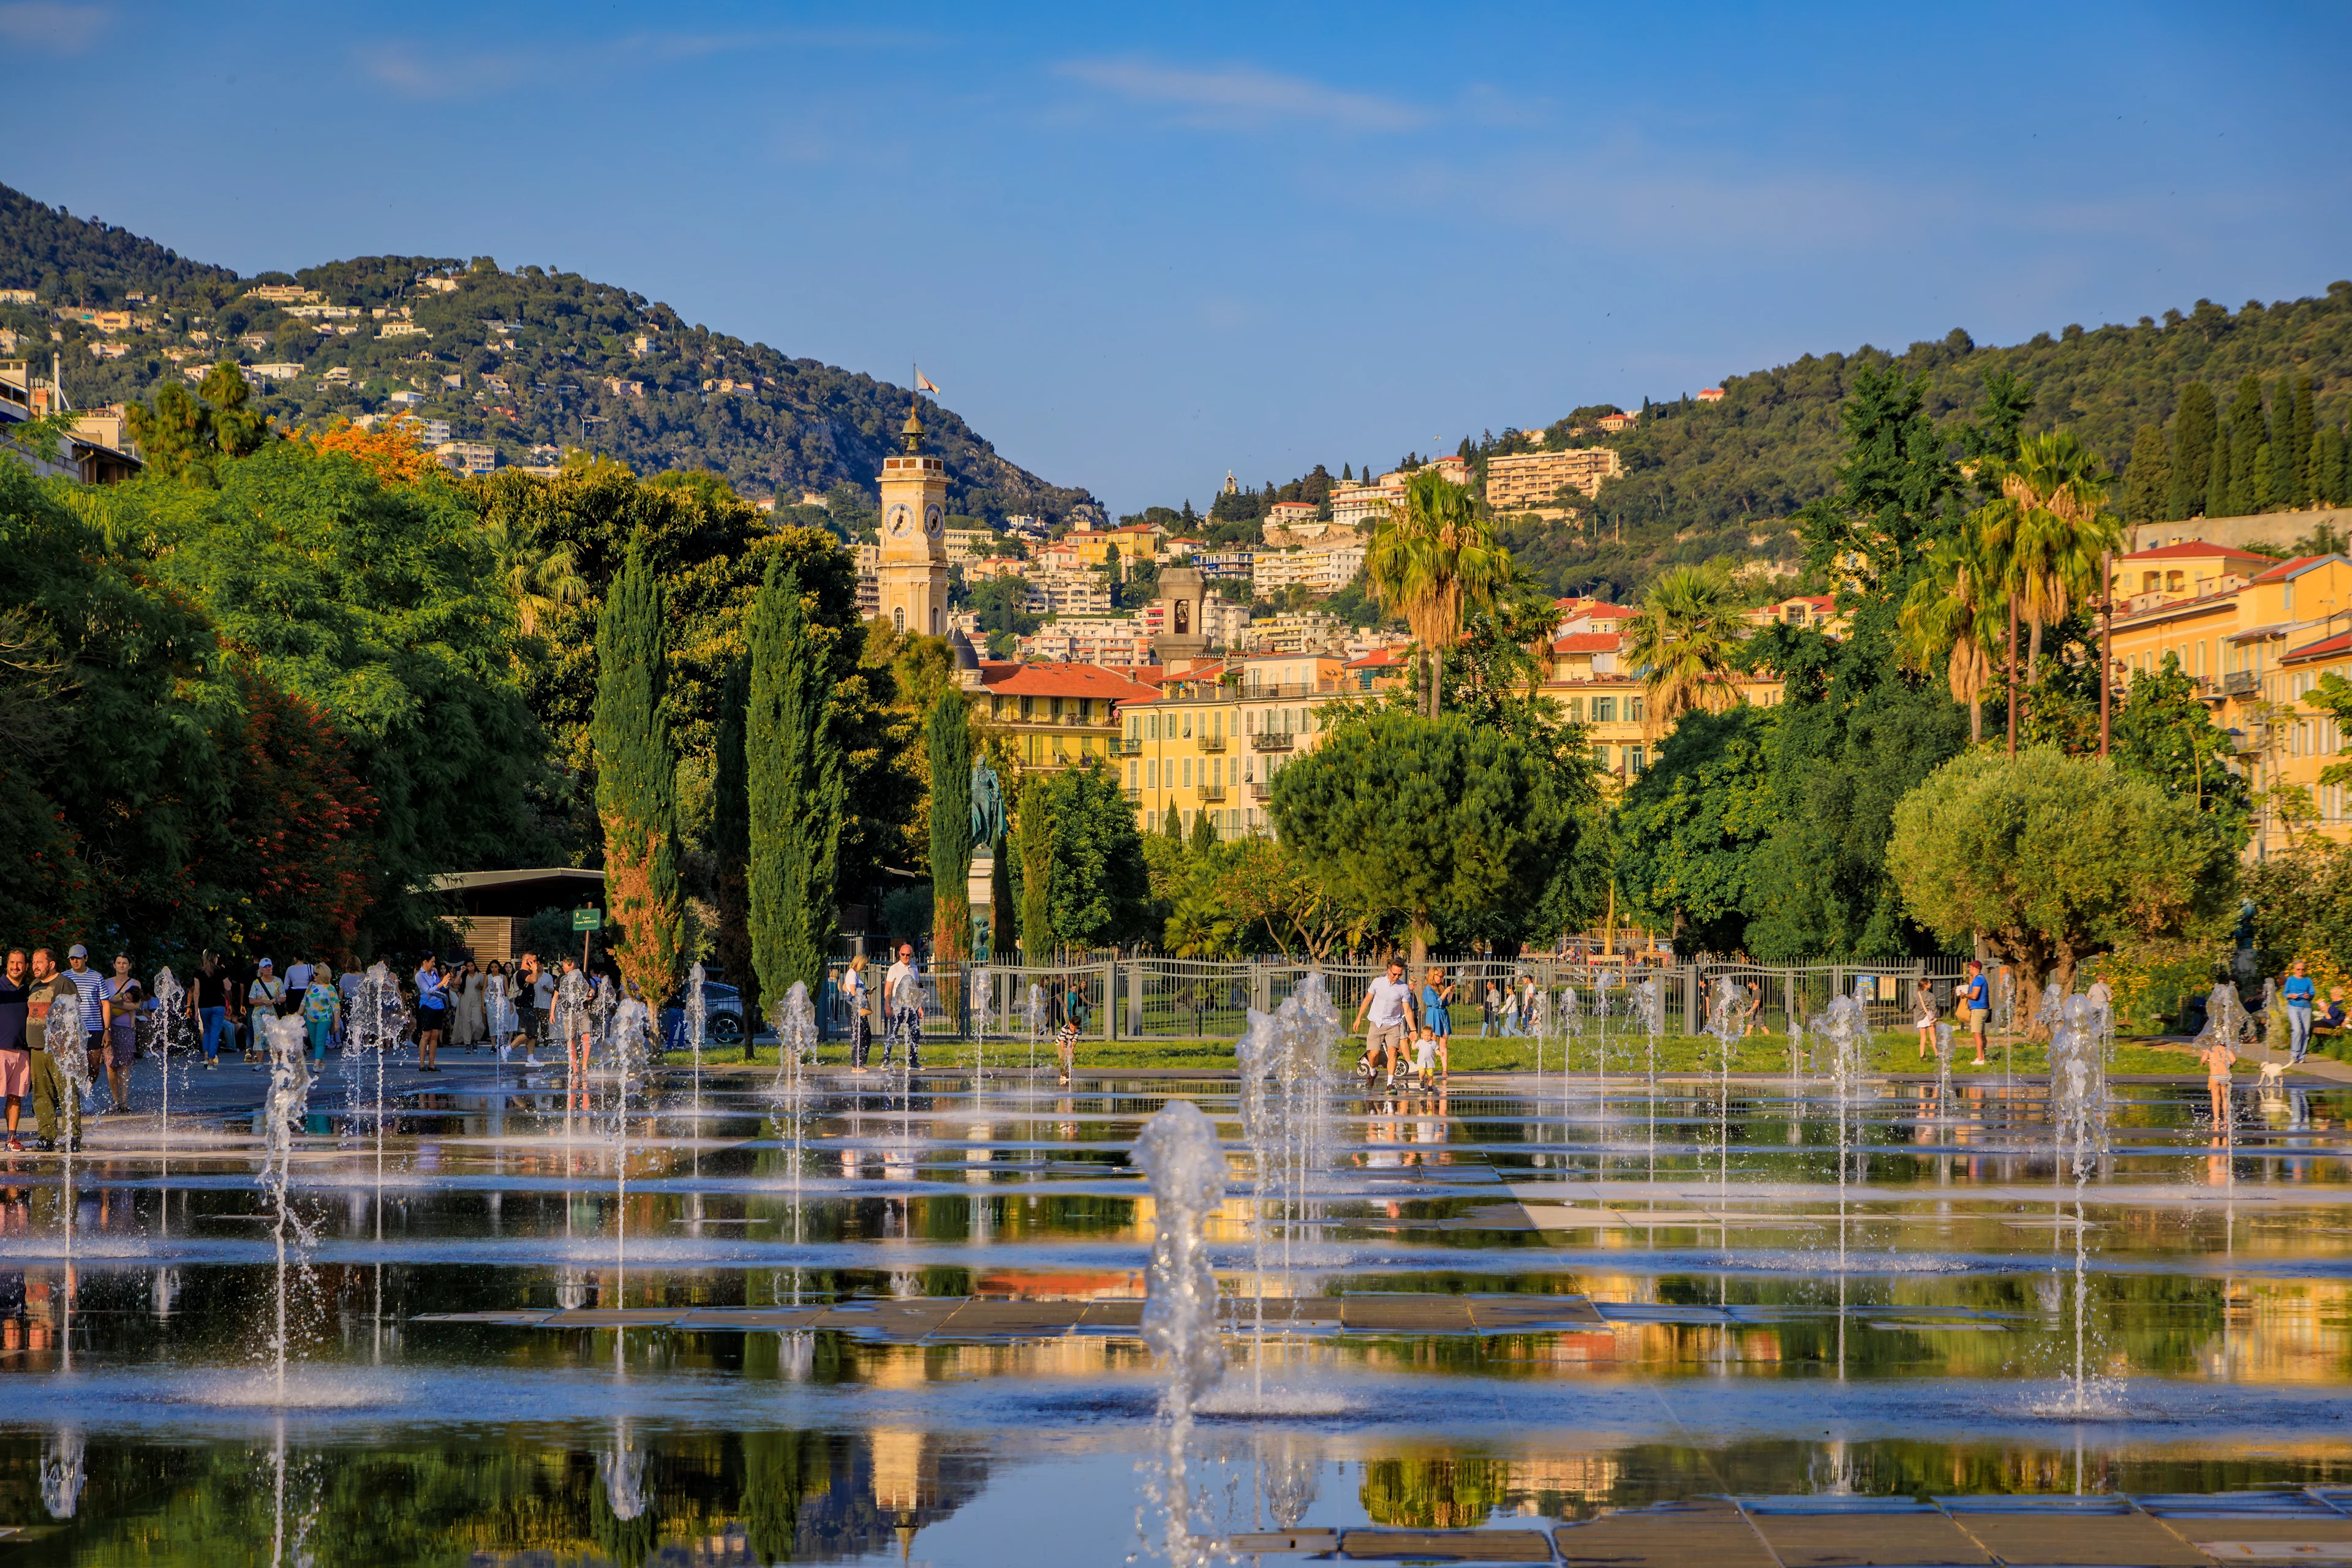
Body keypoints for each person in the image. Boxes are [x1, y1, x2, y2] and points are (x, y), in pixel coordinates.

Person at [24, 949, 79, 1152]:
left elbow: (74, 1015)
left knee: (67, 1092)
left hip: (59, 1049)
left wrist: (68, 1045)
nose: (35, 966)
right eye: (33, 962)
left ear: (52, 964)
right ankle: (46, 1137)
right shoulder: (33, 985)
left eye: (39, 962)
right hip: (36, 1048)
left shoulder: (64, 983)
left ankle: (73, 1137)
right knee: (41, 1095)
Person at [1351, 959, 1418, 1091]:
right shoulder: (1378, 982)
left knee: (1392, 1052)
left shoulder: (1403, 988)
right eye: (1394, 974)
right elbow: (1367, 1000)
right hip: (1376, 1023)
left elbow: (1408, 1010)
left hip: (1394, 1025)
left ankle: (1390, 1084)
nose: (1397, 977)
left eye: (1399, 974)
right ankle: (1373, 1071)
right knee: (1373, 1054)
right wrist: (1358, 1018)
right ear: (1389, 971)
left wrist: (1413, 1029)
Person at [62, 946, 108, 1105]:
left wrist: (107, 1029)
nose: (75, 961)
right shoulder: (64, 977)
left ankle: (88, 1087)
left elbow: (105, 1003)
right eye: (72, 958)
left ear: (86, 958)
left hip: (94, 1027)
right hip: (72, 1029)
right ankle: (77, 1095)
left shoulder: (97, 977)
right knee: (74, 1064)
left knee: (94, 1065)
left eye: (78, 958)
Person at [102, 954, 141, 1112]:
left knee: (124, 1065)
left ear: (130, 965)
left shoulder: (134, 983)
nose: (122, 965)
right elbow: (102, 1003)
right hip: (109, 1027)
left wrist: (114, 1004)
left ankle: (124, 1102)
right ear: (114, 965)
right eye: (119, 963)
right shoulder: (106, 983)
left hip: (126, 1028)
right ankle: (116, 1100)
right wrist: (123, 1004)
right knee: (111, 1066)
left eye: (125, 963)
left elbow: (136, 1005)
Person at [0, 952, 30, 1152]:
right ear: (6, 965)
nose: (16, 967)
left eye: (20, 963)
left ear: (26, 966)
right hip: (0, 1048)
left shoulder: (31, 990)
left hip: (23, 1051)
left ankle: (12, 1139)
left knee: (15, 1096)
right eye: (12, 963)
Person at [883, 943, 924, 1070]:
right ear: (899, 954)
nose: (905, 957)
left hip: (911, 1006)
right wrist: (888, 1005)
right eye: (903, 954)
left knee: (915, 1033)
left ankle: (914, 1061)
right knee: (893, 1033)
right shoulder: (894, 968)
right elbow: (888, 988)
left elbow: (916, 988)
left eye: (908, 954)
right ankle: (885, 1059)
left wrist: (919, 1006)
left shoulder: (914, 969)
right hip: (898, 1006)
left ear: (911, 955)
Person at [190, 952, 235, 1070]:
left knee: (207, 1032)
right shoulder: (221, 971)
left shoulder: (198, 972)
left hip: (204, 1005)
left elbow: (197, 992)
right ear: (215, 958)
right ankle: (211, 1062)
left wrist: (196, 1011)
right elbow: (228, 986)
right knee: (215, 1033)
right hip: (218, 1005)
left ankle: (205, 1058)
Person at [247, 959, 286, 1066]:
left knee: (275, 1037)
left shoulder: (278, 981)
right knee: (259, 1036)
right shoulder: (257, 983)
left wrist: (275, 1000)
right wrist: (263, 1001)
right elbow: (251, 1000)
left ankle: (278, 1062)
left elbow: (283, 996)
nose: (268, 969)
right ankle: (259, 1062)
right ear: (261, 969)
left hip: (273, 1013)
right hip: (259, 1014)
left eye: (269, 966)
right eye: (265, 967)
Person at [414, 954, 448, 1072]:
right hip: (427, 1007)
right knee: (426, 1035)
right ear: (425, 961)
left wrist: (446, 981)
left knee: (435, 1036)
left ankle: (432, 1064)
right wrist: (441, 983)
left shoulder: (434, 973)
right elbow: (428, 991)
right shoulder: (419, 975)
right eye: (432, 962)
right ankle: (422, 1064)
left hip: (439, 1006)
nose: (434, 964)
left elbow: (442, 988)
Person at [301, 965, 341, 1063]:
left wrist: (336, 1022)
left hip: (325, 1018)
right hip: (310, 1018)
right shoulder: (311, 986)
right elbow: (304, 1001)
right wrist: (298, 1015)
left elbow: (336, 1006)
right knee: (314, 1042)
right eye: (314, 973)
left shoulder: (330, 988)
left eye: (316, 974)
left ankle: (316, 1063)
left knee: (320, 1040)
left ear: (323, 974)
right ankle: (321, 1060)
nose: (314, 975)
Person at [2281, 959, 2316, 1066]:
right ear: (2294, 969)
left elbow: (2312, 993)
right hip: (2294, 1007)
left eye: (2302, 969)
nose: (2300, 971)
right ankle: (2294, 1054)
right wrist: (2291, 995)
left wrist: (2308, 996)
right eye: (2298, 969)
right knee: (2297, 1030)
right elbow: (2285, 993)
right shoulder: (2291, 980)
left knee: (2305, 1032)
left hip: (2306, 1007)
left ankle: (2302, 1055)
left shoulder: (2308, 980)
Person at [2199, 1028, 2237, 1125]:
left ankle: (2216, 1119)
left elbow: (2203, 1059)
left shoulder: (2210, 1050)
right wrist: (2229, 1065)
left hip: (2215, 1077)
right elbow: (2234, 1059)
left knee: (2216, 1099)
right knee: (2225, 1098)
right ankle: (2226, 1118)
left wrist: (2202, 1063)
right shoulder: (2226, 1050)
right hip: (2225, 1076)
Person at [1420, 967, 1453, 1070]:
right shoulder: (1428, 989)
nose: (1440, 978)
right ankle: (1429, 1068)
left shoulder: (1441, 987)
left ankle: (1445, 1070)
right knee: (1431, 1043)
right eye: (1439, 976)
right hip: (1433, 1014)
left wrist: (1451, 992)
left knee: (1443, 1042)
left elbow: (1446, 1003)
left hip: (1443, 1014)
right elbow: (1435, 1003)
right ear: (1432, 975)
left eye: (1442, 976)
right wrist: (1445, 993)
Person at [845, 954, 872, 1072]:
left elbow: (847, 987)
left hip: (858, 1007)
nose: (864, 967)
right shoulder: (852, 973)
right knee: (859, 1036)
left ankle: (858, 1063)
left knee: (864, 1035)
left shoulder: (854, 974)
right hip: (856, 1008)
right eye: (864, 965)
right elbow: (852, 992)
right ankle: (857, 1064)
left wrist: (867, 991)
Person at [484, 962, 515, 1061]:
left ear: (499, 968)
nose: (494, 969)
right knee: (492, 1023)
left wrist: (511, 1004)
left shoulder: (503, 977)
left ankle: (500, 1044)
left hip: (501, 1002)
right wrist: (483, 1005)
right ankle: (493, 1045)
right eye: (492, 967)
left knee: (502, 1023)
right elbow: (483, 991)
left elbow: (507, 991)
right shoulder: (487, 978)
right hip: (490, 1003)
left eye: (496, 967)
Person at [453, 957, 486, 1049]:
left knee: (477, 1022)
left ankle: (475, 1039)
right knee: (466, 1022)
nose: (471, 968)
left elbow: (485, 987)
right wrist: (462, 971)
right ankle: (468, 1043)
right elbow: (455, 982)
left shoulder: (480, 975)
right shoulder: (463, 975)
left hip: (477, 1000)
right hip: (465, 1000)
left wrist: (480, 986)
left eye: (472, 966)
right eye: (469, 966)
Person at [1962, 960, 1991, 1066]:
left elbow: (1974, 996)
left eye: (1970, 968)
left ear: (1974, 968)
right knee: (1981, 1034)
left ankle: (1980, 1059)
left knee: (1976, 1034)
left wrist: (1965, 995)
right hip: (1982, 1010)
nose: (1969, 970)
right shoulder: (1980, 979)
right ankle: (1982, 1056)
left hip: (1978, 1011)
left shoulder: (1978, 979)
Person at [1914, 982, 1940, 1061]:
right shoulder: (1931, 995)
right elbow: (1934, 1007)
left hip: (1920, 1017)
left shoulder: (1916, 995)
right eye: (1929, 983)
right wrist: (1935, 1016)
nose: (1931, 983)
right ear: (1925, 985)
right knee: (1933, 1037)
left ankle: (1922, 1055)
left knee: (1923, 1037)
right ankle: (1938, 1055)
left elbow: (1911, 1006)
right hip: (1929, 1017)